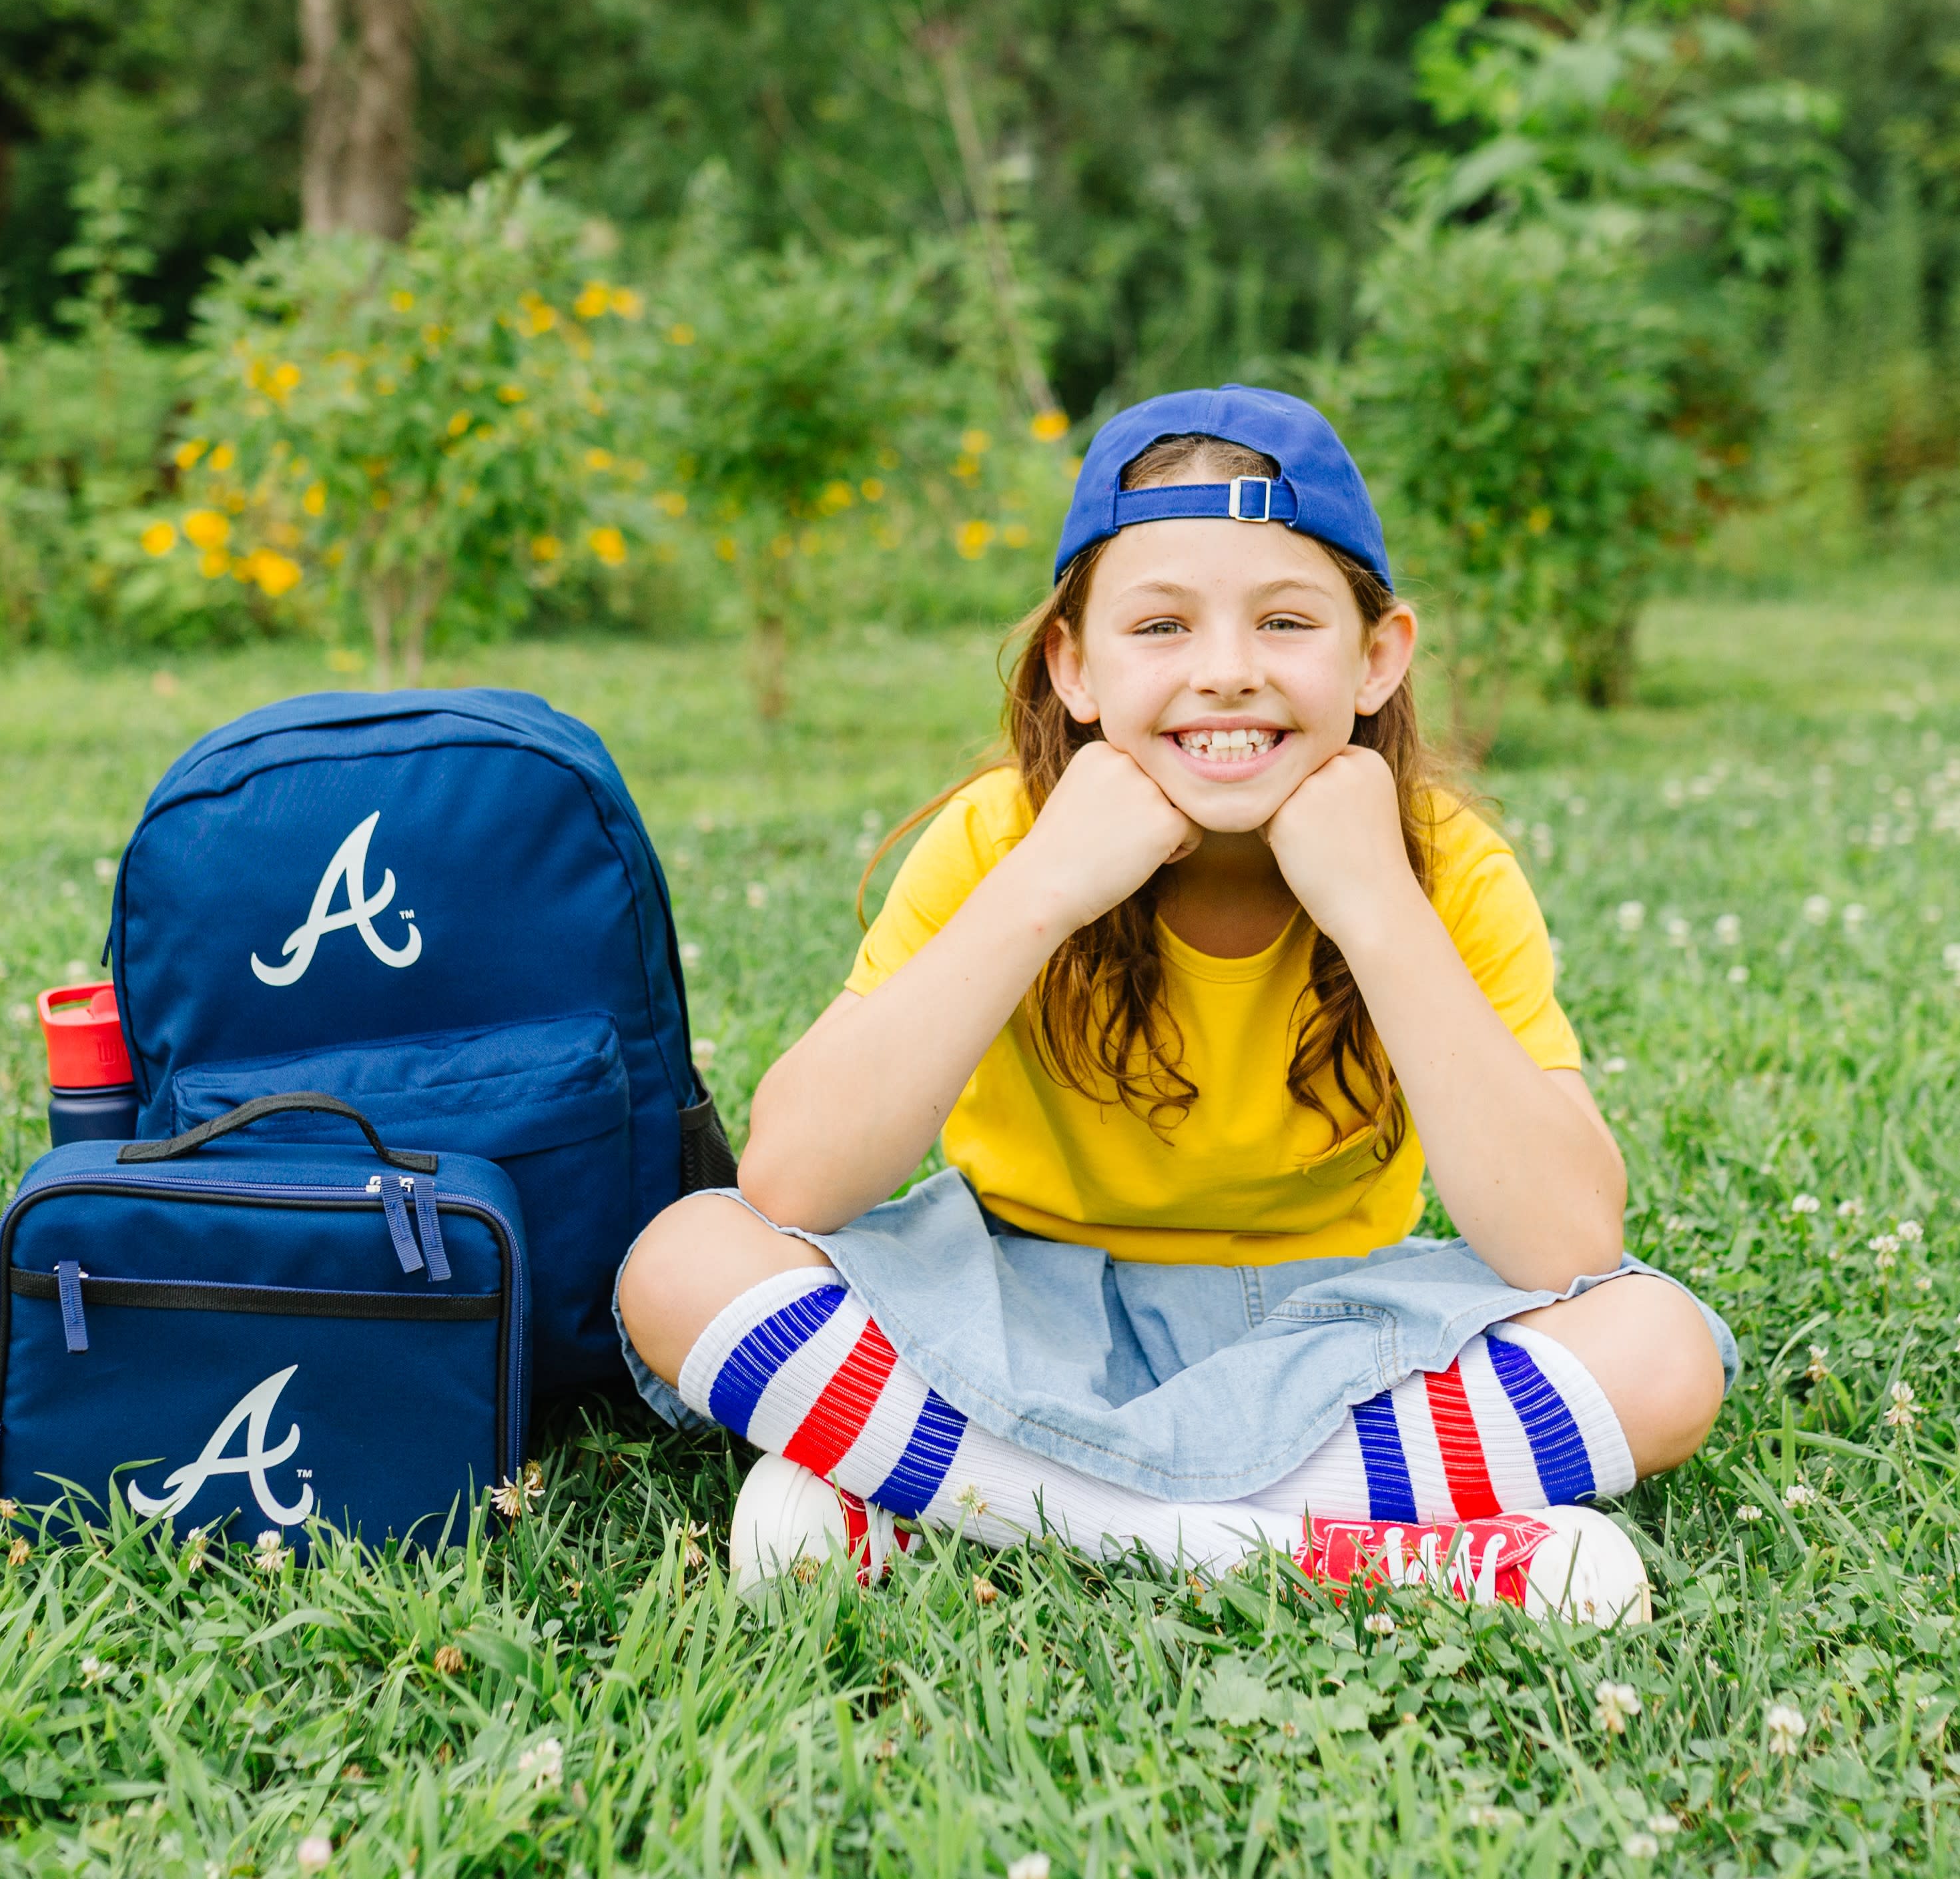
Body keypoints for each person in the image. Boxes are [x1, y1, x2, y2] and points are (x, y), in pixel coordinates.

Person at [617, 384, 1732, 1619]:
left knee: (1662, 1351)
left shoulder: (1440, 864)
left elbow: (1568, 1244)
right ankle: (1337, 1544)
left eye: (1286, 620)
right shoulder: (999, 837)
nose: (1226, 674)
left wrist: (1374, 906)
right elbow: (793, 1182)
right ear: (1072, 664)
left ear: (1376, 657)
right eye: (1159, 627)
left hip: (1343, 1326)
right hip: (1017, 1303)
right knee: (683, 1260)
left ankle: (962, 1504)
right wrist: (1044, 886)